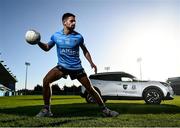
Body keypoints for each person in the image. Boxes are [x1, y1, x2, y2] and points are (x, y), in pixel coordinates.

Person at [36, 13, 119, 117]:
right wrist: (38, 42)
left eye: (75, 21)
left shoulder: (79, 36)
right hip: (62, 66)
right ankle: (46, 109)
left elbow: (85, 51)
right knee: (46, 80)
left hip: (76, 68)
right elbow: (47, 47)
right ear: (64, 22)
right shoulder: (56, 35)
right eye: (71, 21)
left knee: (90, 89)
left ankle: (105, 110)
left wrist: (91, 63)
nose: (74, 23)